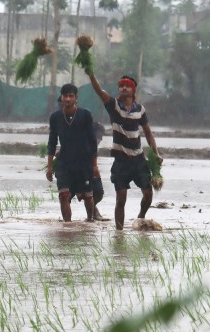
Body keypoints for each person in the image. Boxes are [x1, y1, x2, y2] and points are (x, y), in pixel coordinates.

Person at [85, 71, 163, 230]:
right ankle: (119, 232)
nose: (124, 88)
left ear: (133, 90)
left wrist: (156, 152)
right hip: (121, 161)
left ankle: (141, 217)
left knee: (148, 193)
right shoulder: (114, 107)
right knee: (121, 199)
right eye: (121, 86)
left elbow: (148, 132)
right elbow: (100, 91)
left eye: (128, 86)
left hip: (139, 159)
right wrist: (91, 74)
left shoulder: (140, 110)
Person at [46, 84, 98, 222]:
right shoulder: (55, 117)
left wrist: (94, 165)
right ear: (61, 98)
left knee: (88, 196)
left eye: (71, 96)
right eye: (65, 96)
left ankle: (90, 220)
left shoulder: (85, 115)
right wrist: (50, 166)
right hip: (64, 163)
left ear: (76, 98)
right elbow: (51, 143)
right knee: (63, 195)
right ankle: (67, 228)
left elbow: (93, 141)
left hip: (83, 162)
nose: (68, 99)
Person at [55, 96, 108, 221]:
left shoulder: (88, 122)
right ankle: (68, 223)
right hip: (68, 165)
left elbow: (95, 141)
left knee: (98, 192)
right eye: (62, 105)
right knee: (65, 194)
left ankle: (92, 211)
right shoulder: (59, 121)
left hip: (86, 164)